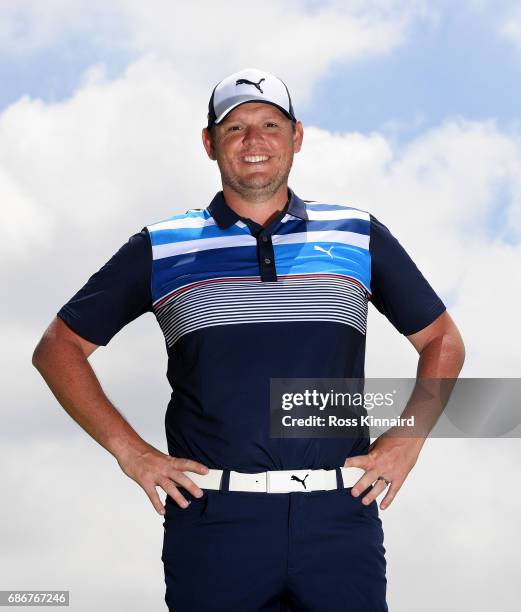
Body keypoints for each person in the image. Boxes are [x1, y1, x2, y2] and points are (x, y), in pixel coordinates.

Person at [32, 67, 465, 611]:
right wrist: (133, 454)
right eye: (235, 128)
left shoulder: (356, 233)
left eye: (269, 124)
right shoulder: (162, 246)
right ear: (210, 143)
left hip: (339, 517)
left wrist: (407, 441)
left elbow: (442, 339)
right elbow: (58, 348)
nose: (254, 141)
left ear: (296, 137)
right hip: (215, 522)